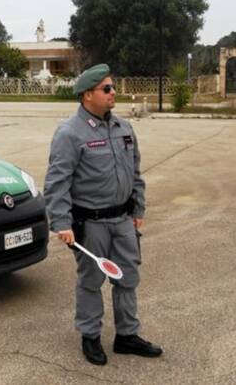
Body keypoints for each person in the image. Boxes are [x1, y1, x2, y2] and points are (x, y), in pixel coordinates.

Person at [43, 63, 163, 365]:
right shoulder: (70, 133)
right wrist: (61, 222)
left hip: (123, 221)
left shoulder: (124, 128)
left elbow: (135, 172)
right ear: (87, 95)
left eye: (113, 87)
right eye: (107, 88)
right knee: (91, 281)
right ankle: (90, 337)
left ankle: (127, 336)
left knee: (127, 278)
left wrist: (138, 207)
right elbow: (57, 182)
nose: (114, 93)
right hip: (90, 224)